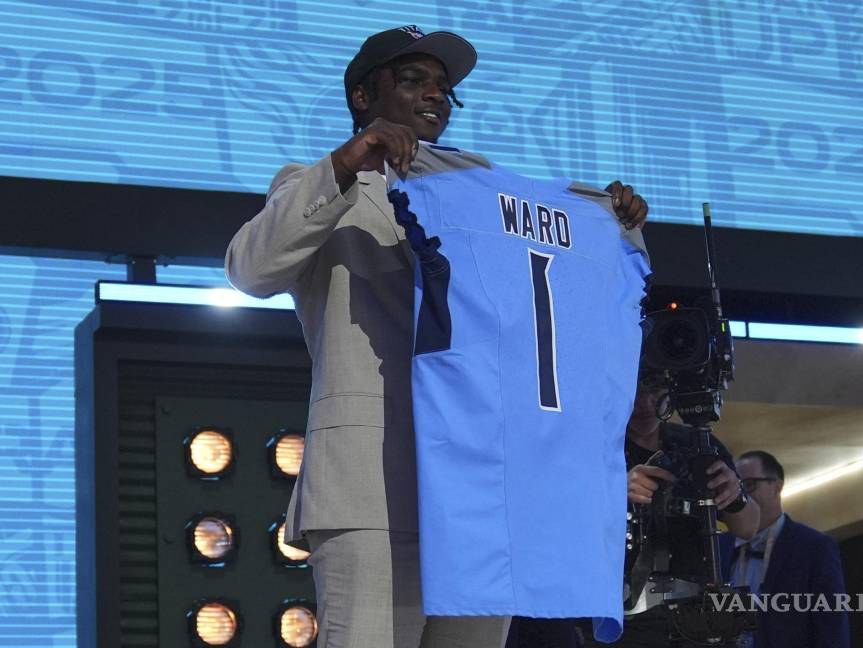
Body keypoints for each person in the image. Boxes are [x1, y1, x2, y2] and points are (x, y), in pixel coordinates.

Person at [225, 25, 649, 648]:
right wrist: (348, 161)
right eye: (413, 79)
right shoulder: (321, 184)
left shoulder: (484, 196)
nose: (435, 94)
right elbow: (250, 269)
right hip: (373, 485)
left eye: (445, 88)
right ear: (363, 97)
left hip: (482, 486)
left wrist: (605, 224)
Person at [581, 374, 760, 647]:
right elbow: (559, 526)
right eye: (635, 391)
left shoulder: (697, 444)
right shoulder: (594, 449)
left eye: (654, 391)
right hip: (619, 621)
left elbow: (748, 527)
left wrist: (735, 495)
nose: (644, 403)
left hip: (696, 619)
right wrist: (615, 492)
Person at [733, 450, 850, 648]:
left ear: (777, 486)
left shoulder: (813, 547)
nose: (741, 495)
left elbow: (833, 628)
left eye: (749, 485)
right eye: (736, 487)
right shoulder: (719, 547)